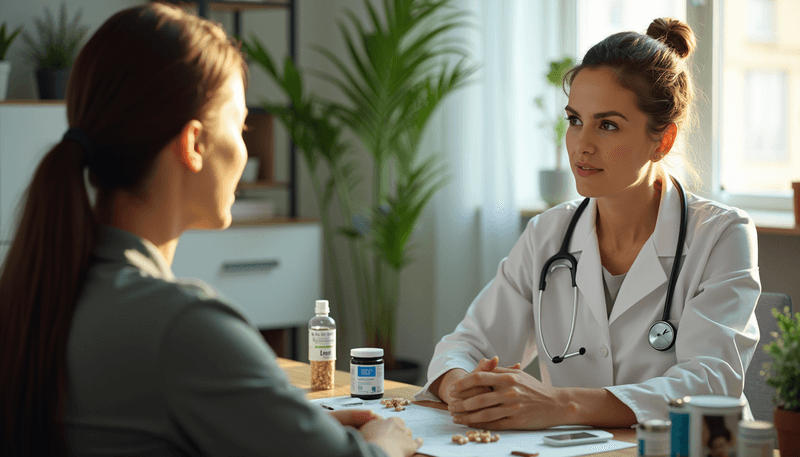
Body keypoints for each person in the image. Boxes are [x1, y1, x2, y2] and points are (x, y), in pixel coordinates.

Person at [0, 4, 421, 457]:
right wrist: (384, 442)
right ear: (195, 143)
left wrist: (281, 425)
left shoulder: (34, 294)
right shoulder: (184, 325)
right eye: (241, 126)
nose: (244, 148)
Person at [415, 18, 760, 430]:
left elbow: (710, 381)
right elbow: (467, 345)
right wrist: (461, 388)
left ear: (662, 141)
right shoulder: (549, 234)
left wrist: (563, 405)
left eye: (608, 125)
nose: (582, 143)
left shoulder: (721, 234)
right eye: (575, 119)